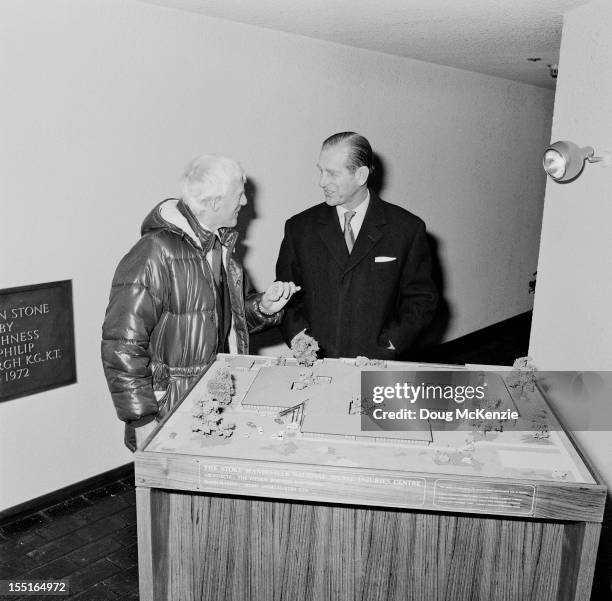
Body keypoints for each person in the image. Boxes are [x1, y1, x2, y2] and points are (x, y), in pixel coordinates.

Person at [102, 155, 299, 450]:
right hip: (172, 411)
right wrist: (142, 420)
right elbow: (121, 346)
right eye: (239, 194)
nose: (245, 202)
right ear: (216, 203)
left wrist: (262, 308)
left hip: (216, 402)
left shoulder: (219, 248)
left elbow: (220, 322)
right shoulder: (153, 253)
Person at [276, 132, 437, 360]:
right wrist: (300, 340)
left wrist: (392, 343)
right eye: (321, 171)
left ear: (361, 175)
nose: (321, 182)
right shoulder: (299, 228)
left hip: (378, 364)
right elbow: (286, 296)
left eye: (332, 173)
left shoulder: (407, 229)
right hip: (316, 363)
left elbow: (421, 299)